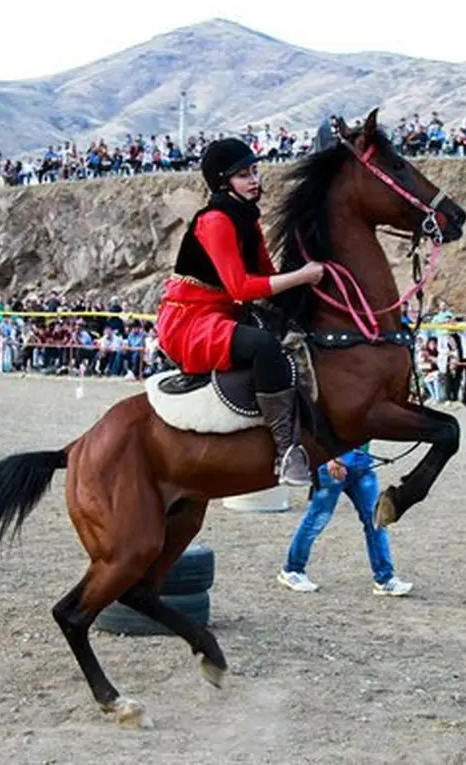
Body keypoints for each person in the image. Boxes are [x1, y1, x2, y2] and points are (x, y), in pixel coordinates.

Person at [155, 138, 324, 485]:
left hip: (222, 313)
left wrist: (306, 282)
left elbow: (267, 275)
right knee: (264, 345)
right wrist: (303, 276)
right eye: (243, 175)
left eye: (255, 171)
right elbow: (241, 287)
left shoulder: (247, 218)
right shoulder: (215, 220)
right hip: (190, 321)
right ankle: (286, 450)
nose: (254, 180)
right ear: (222, 182)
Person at [277, 443, 414, 596]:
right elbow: (317, 424)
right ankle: (292, 569)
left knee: (376, 520)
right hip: (334, 464)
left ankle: (384, 578)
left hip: (362, 463)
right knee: (316, 520)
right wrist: (330, 458)